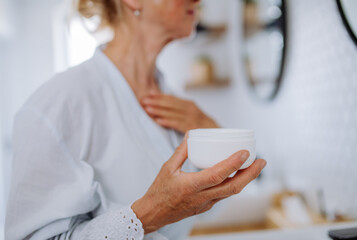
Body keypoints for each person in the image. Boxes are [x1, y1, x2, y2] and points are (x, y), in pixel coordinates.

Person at [5, 0, 267, 239]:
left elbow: (202, 211)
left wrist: (209, 129)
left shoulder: (178, 106)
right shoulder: (58, 105)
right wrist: (150, 213)